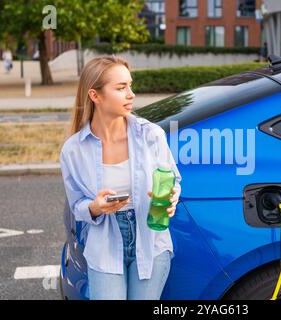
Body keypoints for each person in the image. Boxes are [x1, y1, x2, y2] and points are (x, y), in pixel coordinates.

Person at [59, 56, 181, 300]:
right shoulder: (73, 150)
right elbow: (77, 206)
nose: (131, 94)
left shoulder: (150, 135)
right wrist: (95, 207)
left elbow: (173, 180)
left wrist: (172, 197)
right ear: (95, 96)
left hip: (151, 239)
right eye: (121, 87)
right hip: (104, 244)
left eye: (130, 85)